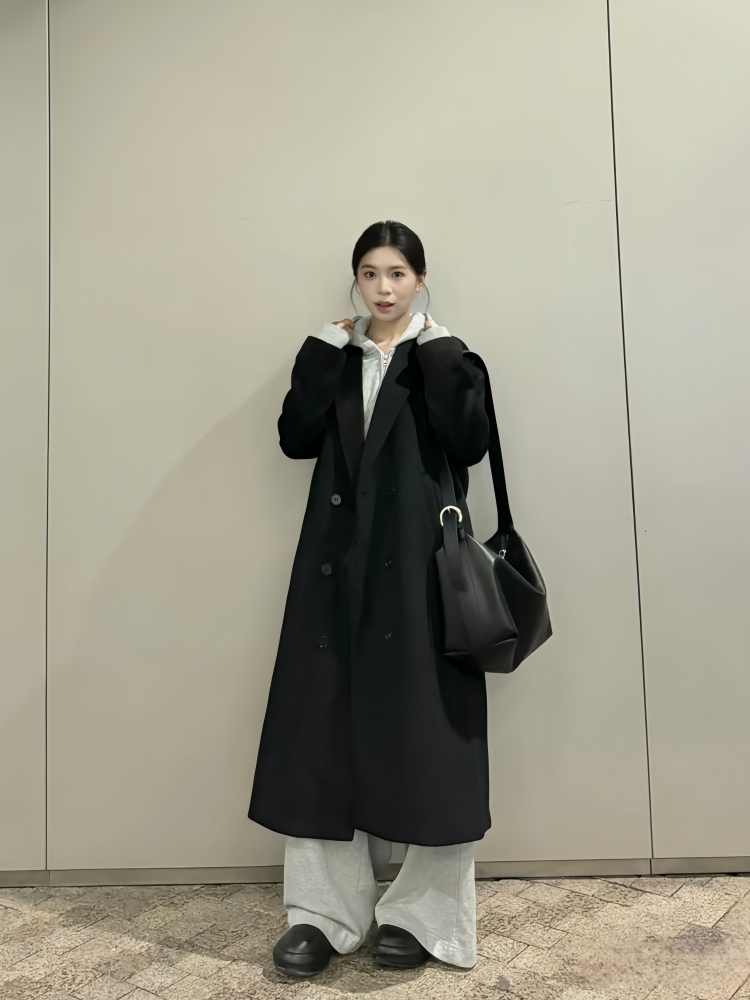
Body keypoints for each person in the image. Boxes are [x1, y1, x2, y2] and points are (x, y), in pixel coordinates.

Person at [248, 220, 491, 977]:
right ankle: (323, 915)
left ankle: (422, 916)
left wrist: (440, 353)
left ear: (420, 279)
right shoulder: (338, 354)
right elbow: (295, 438)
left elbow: (470, 443)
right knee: (319, 733)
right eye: (369, 274)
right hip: (336, 571)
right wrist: (324, 350)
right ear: (355, 280)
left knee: (430, 739)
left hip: (420, 573)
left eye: (397, 274)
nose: (383, 289)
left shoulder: (445, 355)